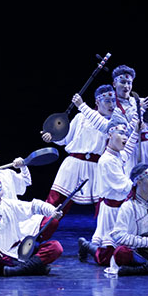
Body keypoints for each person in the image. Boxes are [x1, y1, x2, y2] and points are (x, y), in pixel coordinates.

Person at [41, 85, 117, 223]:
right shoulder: (81, 117)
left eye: (114, 101)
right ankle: (39, 232)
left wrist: (82, 105)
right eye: (107, 101)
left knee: (105, 208)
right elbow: (66, 139)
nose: (112, 104)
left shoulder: (114, 123)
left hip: (97, 168)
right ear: (97, 101)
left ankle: (107, 237)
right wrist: (53, 137)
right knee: (54, 204)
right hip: (73, 165)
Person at [77, 110, 141, 267]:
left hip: (121, 208)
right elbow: (123, 186)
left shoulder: (117, 155)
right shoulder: (107, 160)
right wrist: (140, 182)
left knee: (125, 252)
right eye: (121, 133)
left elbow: (128, 151)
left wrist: (136, 132)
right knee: (106, 259)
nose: (125, 138)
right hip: (112, 210)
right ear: (110, 135)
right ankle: (86, 245)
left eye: (126, 134)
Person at [110, 64, 148, 184]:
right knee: (136, 185)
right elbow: (127, 131)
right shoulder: (113, 108)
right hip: (133, 149)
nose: (126, 86)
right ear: (114, 84)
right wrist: (140, 110)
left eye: (129, 82)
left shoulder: (141, 101)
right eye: (122, 82)